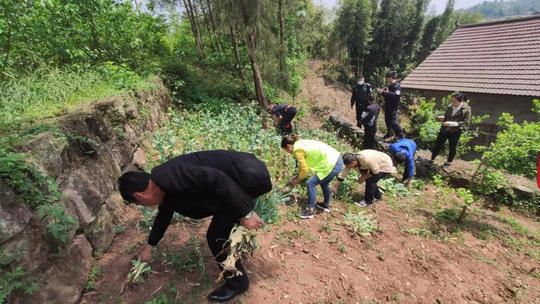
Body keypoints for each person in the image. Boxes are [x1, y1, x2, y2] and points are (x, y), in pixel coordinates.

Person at [117, 150, 272, 302]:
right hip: (238, 176)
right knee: (224, 225)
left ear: (139, 196)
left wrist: (246, 213)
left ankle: (237, 284)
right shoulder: (161, 184)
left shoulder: (170, 178)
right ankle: (236, 253)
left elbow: (217, 179)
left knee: (216, 237)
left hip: (248, 177)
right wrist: (149, 246)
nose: (143, 206)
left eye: (138, 203)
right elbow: (164, 215)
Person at [281, 134, 343, 219]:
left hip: (331, 164)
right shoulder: (300, 143)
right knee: (324, 183)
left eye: (286, 151)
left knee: (310, 183)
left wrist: (297, 180)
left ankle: (310, 211)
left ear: (288, 146)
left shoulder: (298, 151)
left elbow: (305, 170)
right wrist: (296, 177)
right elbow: (301, 167)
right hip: (337, 159)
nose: (288, 153)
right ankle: (326, 205)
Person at [429, 92, 472, 167]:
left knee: (452, 147)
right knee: (438, 145)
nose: (452, 103)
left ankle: (448, 163)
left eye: (454, 101)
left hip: (455, 132)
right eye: (451, 101)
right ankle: (432, 160)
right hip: (444, 129)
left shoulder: (466, 110)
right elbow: (446, 116)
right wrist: (443, 118)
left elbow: (466, 123)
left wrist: (451, 123)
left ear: (461, 101)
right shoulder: (451, 106)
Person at [378, 71, 404, 142]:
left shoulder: (397, 86)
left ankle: (401, 136)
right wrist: (382, 93)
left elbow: (396, 95)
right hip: (388, 106)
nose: (386, 80)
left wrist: (387, 92)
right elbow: (387, 96)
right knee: (387, 120)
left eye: (387, 79)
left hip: (393, 107)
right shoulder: (390, 86)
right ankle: (389, 133)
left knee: (394, 122)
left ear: (390, 78)